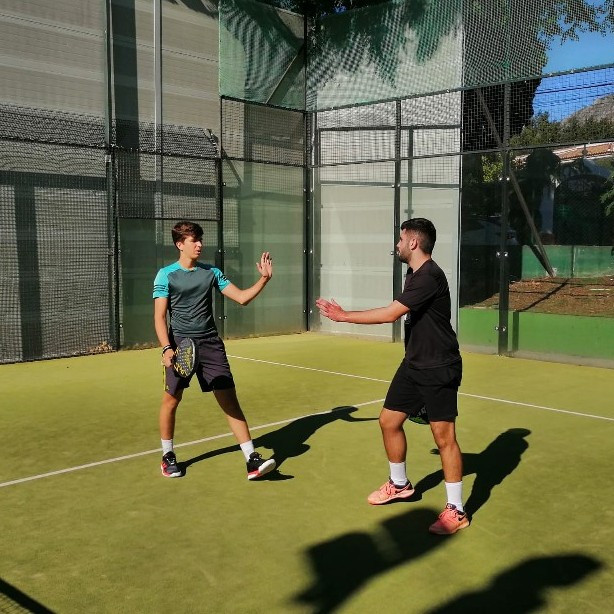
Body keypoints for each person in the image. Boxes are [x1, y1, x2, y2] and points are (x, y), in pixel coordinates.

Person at [316, 218, 468, 535]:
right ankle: (400, 485)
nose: (397, 245)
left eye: (400, 239)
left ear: (413, 242)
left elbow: (390, 314)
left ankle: (457, 511)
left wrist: (343, 316)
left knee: (444, 438)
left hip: (439, 367)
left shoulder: (429, 276)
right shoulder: (413, 274)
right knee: (388, 421)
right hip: (413, 364)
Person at [153, 221, 276, 480]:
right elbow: (159, 316)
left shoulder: (212, 272)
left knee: (229, 400)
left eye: (200, 239)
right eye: (193, 240)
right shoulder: (166, 274)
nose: (199, 244)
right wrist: (166, 348)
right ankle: (168, 455)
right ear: (180, 244)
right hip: (180, 344)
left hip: (210, 344)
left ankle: (252, 460)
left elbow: (242, 298)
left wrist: (264, 279)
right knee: (171, 400)